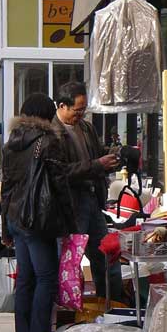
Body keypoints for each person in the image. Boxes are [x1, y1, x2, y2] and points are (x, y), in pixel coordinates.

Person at [1, 93, 77, 332]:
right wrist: (70, 221)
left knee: (25, 279)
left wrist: (5, 227)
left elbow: (6, 187)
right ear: (47, 115)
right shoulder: (48, 142)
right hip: (38, 219)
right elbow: (60, 184)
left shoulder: (11, 144)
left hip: (16, 217)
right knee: (46, 278)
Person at [51, 81, 122, 301]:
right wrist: (97, 165)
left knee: (105, 254)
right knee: (71, 260)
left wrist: (114, 156)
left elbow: (98, 154)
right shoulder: (53, 133)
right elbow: (61, 172)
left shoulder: (86, 128)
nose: (81, 114)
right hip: (71, 205)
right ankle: (69, 305)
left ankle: (112, 302)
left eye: (84, 109)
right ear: (62, 106)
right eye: (77, 110)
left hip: (93, 199)